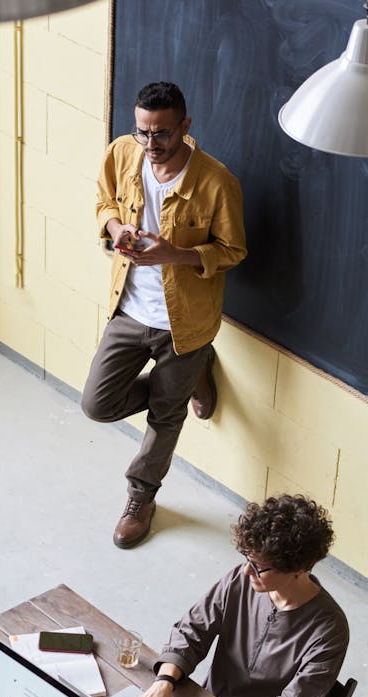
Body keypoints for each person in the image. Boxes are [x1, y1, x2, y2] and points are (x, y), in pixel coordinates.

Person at [81, 81, 246, 549]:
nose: (151, 145)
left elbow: (233, 251)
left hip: (185, 323)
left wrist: (175, 254)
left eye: (162, 135)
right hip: (129, 309)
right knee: (97, 404)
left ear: (185, 127)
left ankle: (141, 497)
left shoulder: (216, 182)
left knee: (166, 417)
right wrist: (117, 229)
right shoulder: (122, 153)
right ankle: (193, 375)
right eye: (143, 133)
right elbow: (103, 203)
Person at [122, 494, 349, 697]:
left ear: (298, 569)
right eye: (247, 560)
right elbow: (192, 630)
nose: (246, 572)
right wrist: (165, 681)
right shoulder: (240, 582)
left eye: (259, 567)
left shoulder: (329, 629)